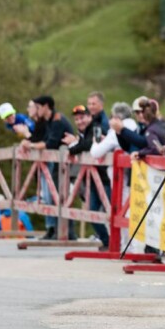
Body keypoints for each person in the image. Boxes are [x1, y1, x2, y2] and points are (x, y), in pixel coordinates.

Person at [21, 96, 74, 240]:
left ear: (46, 106)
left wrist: (31, 145)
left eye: (38, 107)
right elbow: (42, 139)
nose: (36, 109)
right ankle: (54, 229)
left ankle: (65, 231)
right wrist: (29, 141)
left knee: (58, 197)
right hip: (57, 164)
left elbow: (50, 143)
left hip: (64, 164)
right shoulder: (48, 121)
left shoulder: (57, 120)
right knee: (52, 197)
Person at [63, 104, 111, 248]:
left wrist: (73, 147)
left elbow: (90, 144)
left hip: (105, 178)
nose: (80, 121)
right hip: (92, 179)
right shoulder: (82, 133)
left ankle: (118, 243)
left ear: (90, 117)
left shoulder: (96, 128)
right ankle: (107, 242)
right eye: (77, 119)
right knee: (91, 211)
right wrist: (76, 144)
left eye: (82, 118)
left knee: (111, 211)